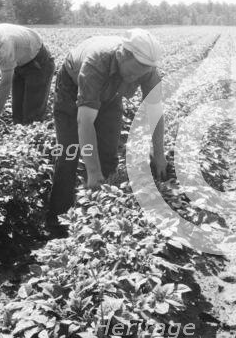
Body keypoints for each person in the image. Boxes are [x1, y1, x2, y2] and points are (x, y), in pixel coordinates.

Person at [46, 29, 168, 230]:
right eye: (133, 71)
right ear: (122, 55)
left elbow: (155, 112)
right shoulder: (97, 63)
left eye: (142, 73)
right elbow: (84, 121)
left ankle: (101, 217)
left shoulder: (147, 70)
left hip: (111, 94)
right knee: (70, 152)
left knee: (108, 154)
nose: (135, 78)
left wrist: (159, 153)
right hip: (73, 86)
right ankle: (57, 222)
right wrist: (93, 171)